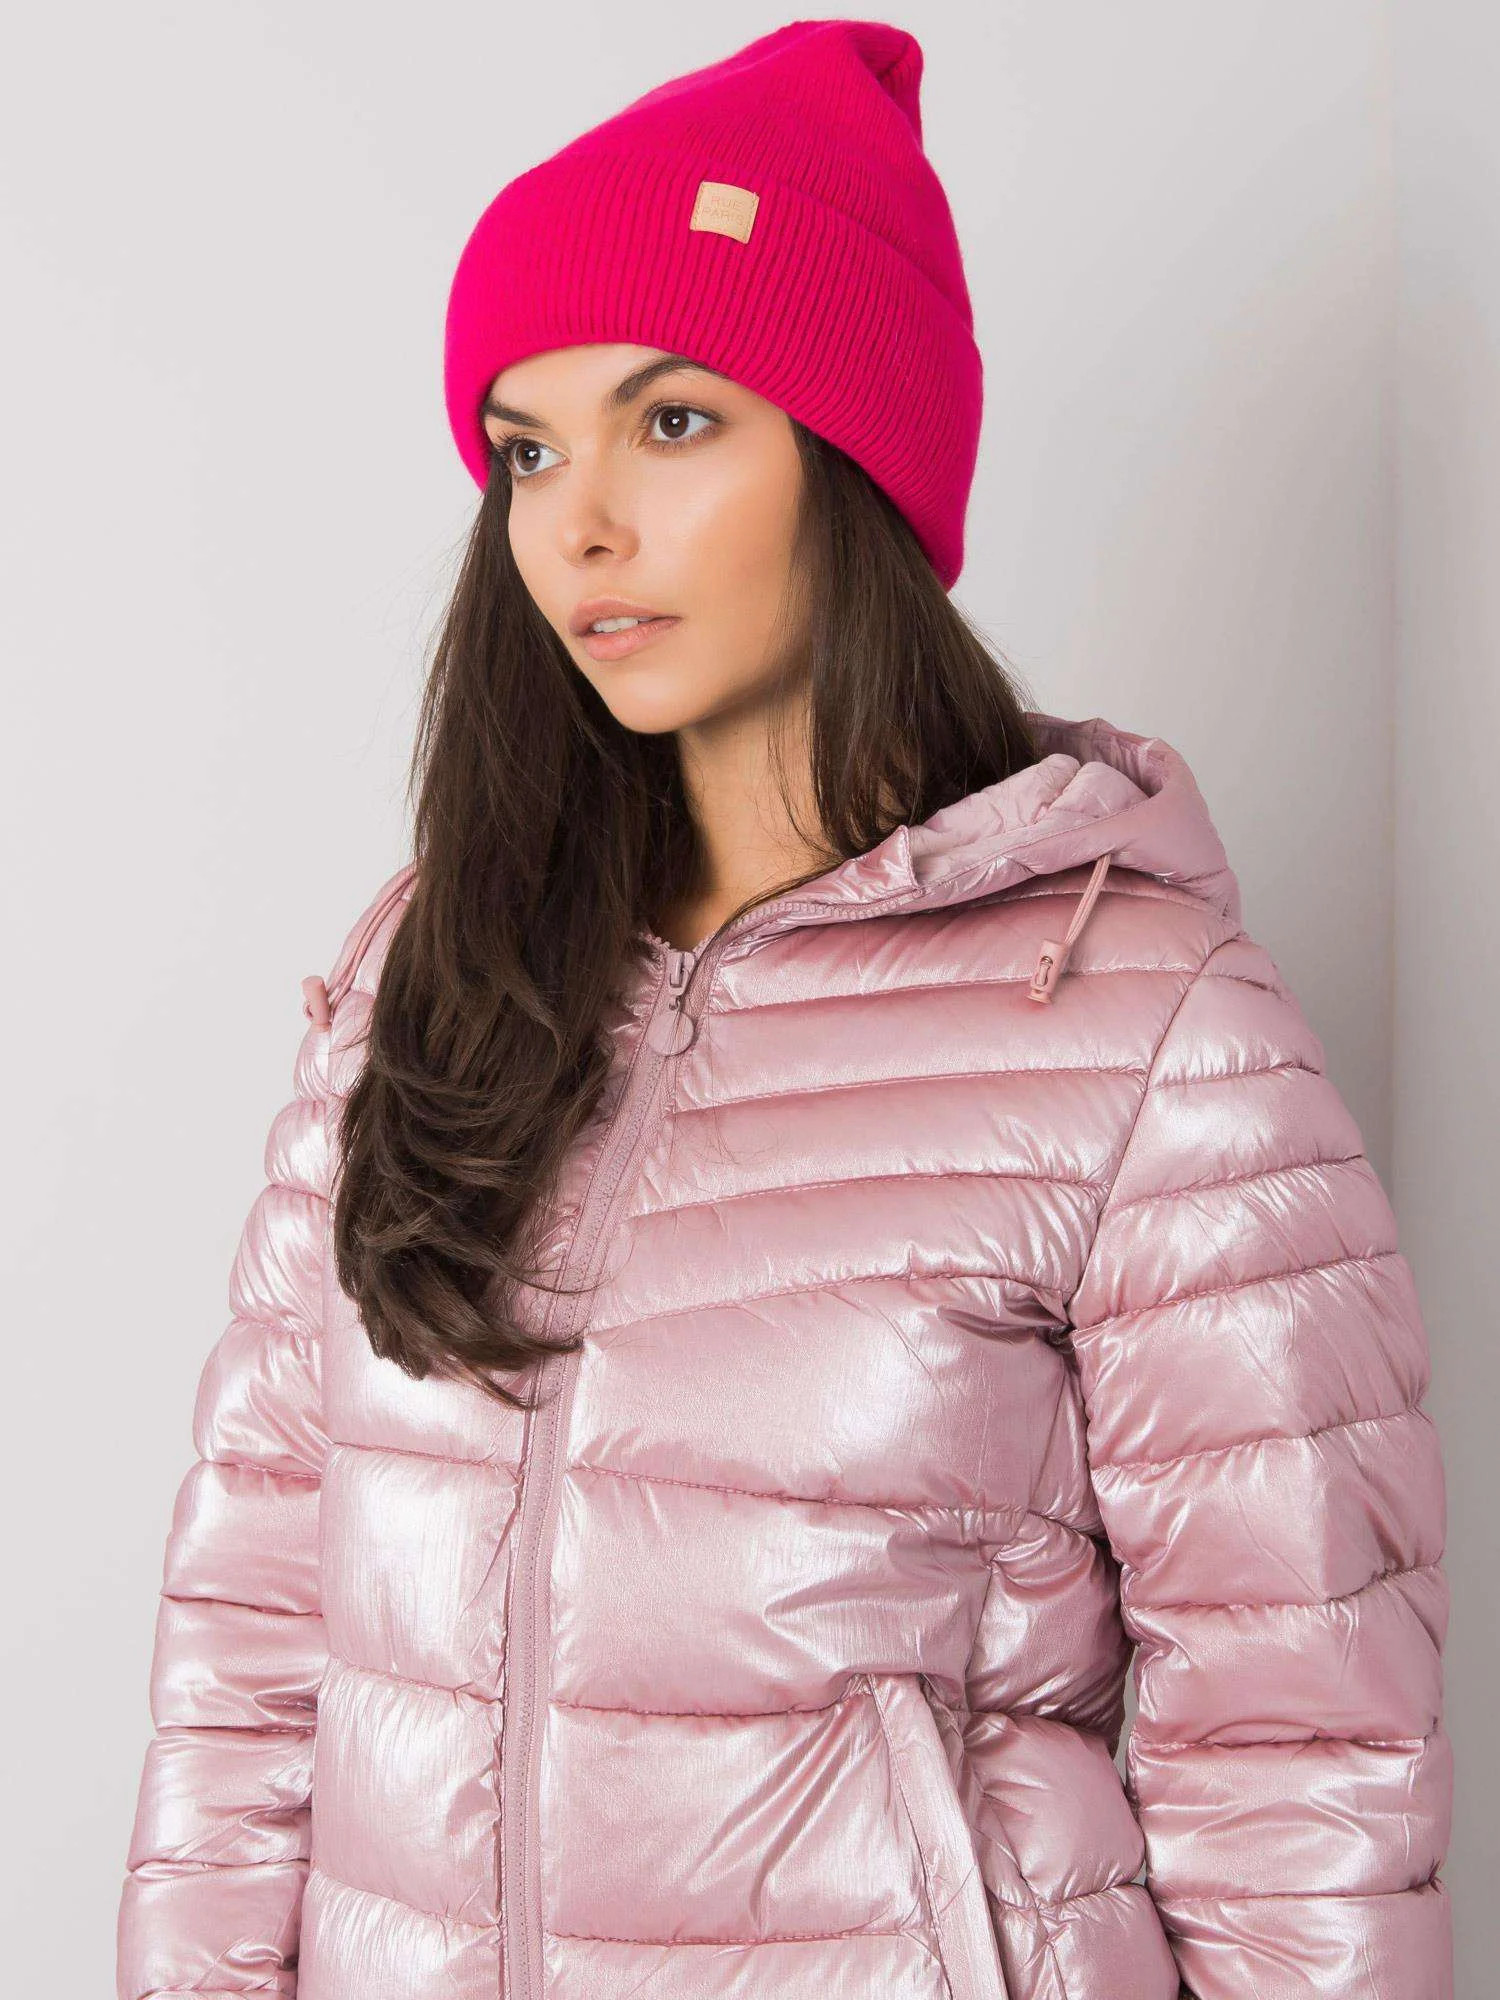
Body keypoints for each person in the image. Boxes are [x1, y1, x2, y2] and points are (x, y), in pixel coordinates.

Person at [115, 20, 1453, 2000]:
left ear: (856, 458)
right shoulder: (427, 991)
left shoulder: (1149, 1036)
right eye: (528, 448)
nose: (578, 524)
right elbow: (249, 1658)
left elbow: (1302, 1764)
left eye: (672, 423)